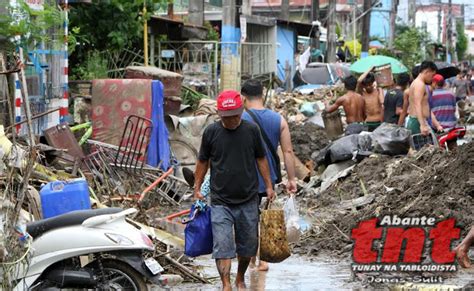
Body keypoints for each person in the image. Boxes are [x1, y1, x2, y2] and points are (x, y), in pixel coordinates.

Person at [194, 90, 275, 291]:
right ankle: (226, 284)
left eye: (235, 116)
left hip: (248, 198)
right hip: (220, 200)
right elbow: (203, 161)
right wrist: (197, 186)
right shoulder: (211, 132)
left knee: (248, 247)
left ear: (241, 111)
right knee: (222, 246)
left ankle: (239, 278)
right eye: (227, 117)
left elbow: (261, 158)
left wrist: (268, 185)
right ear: (220, 115)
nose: (232, 120)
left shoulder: (251, 130)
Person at [240, 79, 297, 272]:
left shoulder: (240, 119)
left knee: (249, 218)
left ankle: (252, 260)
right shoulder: (278, 119)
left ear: (243, 97)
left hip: (246, 177)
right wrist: (291, 179)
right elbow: (288, 152)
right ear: (262, 95)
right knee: (265, 216)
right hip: (269, 177)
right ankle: (263, 260)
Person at [407, 61, 444, 135]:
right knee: (422, 146)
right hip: (417, 121)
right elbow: (418, 104)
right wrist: (422, 125)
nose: (432, 78)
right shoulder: (419, 84)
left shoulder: (418, 83)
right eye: (433, 75)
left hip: (418, 120)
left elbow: (424, 105)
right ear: (427, 72)